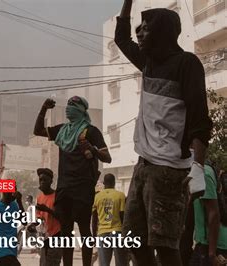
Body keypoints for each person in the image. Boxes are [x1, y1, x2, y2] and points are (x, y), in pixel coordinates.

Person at [116, 1, 213, 265]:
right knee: (134, 240)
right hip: (143, 165)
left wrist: (198, 165)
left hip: (169, 169)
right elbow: (121, 38)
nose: (140, 34)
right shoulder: (148, 62)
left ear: (162, 32)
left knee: (166, 245)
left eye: (146, 29)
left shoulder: (186, 64)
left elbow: (199, 120)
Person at [34, 96, 112, 266]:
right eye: (67, 105)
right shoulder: (63, 130)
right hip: (64, 189)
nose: (68, 108)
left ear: (82, 110)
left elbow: (108, 157)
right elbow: (38, 130)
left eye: (73, 105)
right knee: (66, 233)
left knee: (84, 230)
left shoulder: (90, 131)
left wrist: (93, 150)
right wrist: (44, 108)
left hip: (83, 189)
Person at [189, 162, 226, 266]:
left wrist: (212, 254)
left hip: (214, 245)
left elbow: (214, 213)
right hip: (205, 243)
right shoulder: (196, 173)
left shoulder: (203, 174)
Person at [91, 174, 127, 266]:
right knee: (121, 263)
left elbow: (94, 218)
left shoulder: (97, 196)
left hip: (102, 233)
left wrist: (94, 235)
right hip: (118, 232)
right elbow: (122, 216)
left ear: (104, 183)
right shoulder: (120, 195)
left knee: (104, 264)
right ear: (114, 183)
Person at [32, 168, 62, 266]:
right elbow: (40, 218)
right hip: (44, 237)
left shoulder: (57, 196)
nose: (42, 182)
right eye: (41, 180)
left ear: (51, 181)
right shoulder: (39, 198)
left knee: (52, 263)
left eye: (45, 180)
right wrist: (33, 225)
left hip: (57, 235)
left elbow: (62, 217)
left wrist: (47, 210)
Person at [0, 189, 24, 266]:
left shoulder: (14, 205)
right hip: (0, 246)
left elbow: (24, 221)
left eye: (14, 190)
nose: (13, 193)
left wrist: (19, 201)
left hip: (11, 247)